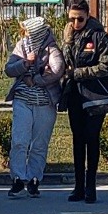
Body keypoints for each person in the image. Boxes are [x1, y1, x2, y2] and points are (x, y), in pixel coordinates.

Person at [60, 0, 108, 204]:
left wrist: (78, 73)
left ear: (88, 15)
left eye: (80, 18)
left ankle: (90, 187)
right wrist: (67, 43)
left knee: (91, 138)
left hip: (95, 96)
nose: (76, 22)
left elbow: (106, 66)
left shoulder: (99, 36)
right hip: (76, 95)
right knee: (78, 140)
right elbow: (67, 63)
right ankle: (78, 187)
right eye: (72, 18)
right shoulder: (70, 35)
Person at [4, 16, 64, 199]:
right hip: (22, 99)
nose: (27, 35)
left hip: (45, 103)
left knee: (39, 143)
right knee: (20, 140)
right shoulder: (21, 46)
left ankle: (34, 179)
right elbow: (9, 68)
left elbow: (57, 70)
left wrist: (36, 80)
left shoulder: (52, 49)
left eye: (30, 31)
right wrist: (25, 63)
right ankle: (18, 178)